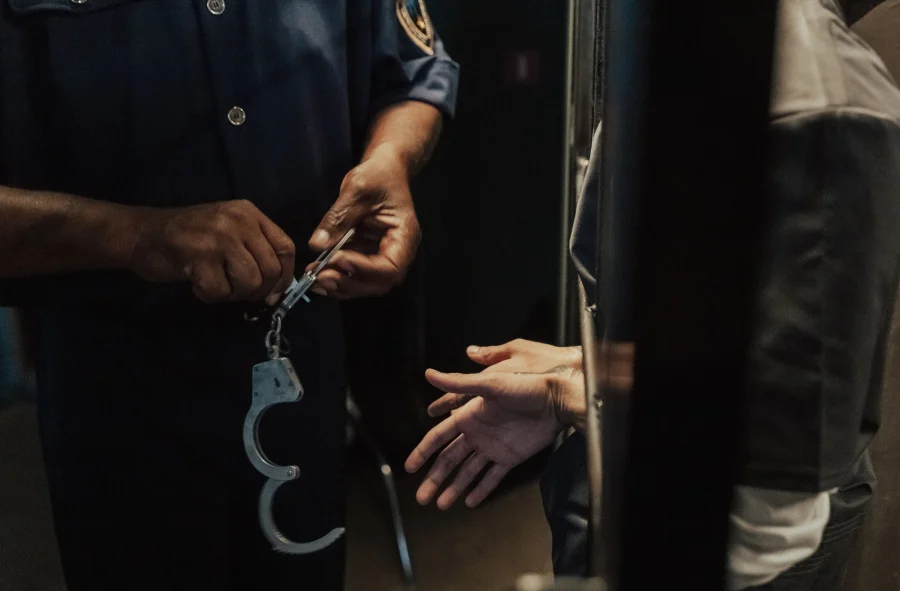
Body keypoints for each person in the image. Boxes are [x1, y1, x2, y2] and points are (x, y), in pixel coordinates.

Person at [406, 0, 900, 589]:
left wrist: (578, 395)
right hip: (635, 488)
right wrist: (585, 367)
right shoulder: (694, 43)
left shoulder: (819, 106)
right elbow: (721, 334)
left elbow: (769, 501)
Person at [0, 1, 457, 589]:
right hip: (116, 387)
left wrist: (391, 158)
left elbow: (414, 73)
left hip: (304, 363)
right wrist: (136, 236)